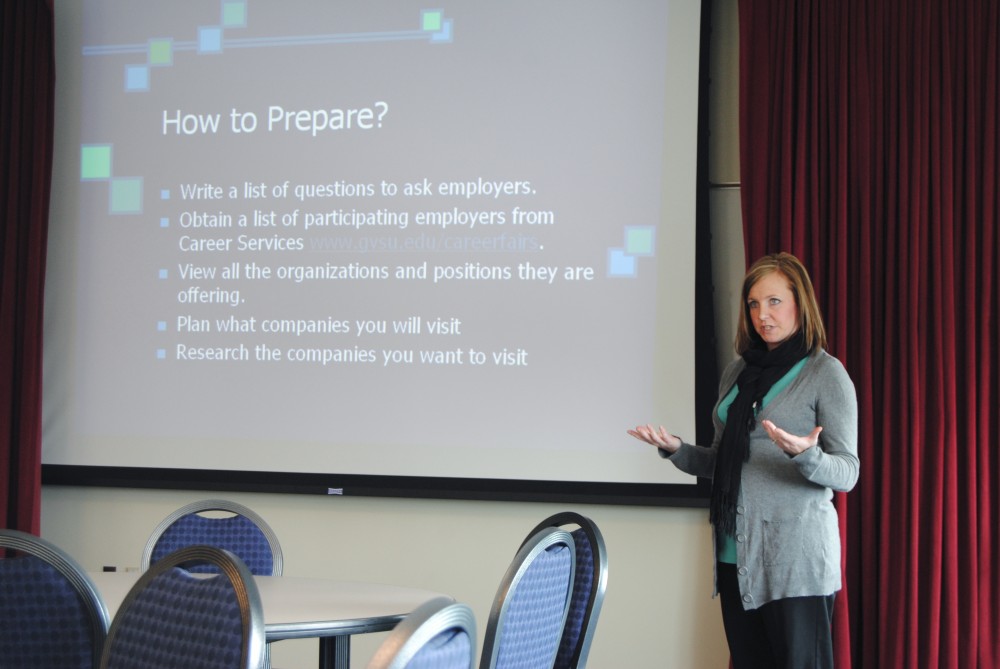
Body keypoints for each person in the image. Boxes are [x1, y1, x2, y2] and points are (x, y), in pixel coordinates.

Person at [628, 252, 859, 669]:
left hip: (796, 561)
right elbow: (725, 463)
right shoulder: (738, 373)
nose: (762, 315)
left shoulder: (826, 373)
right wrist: (677, 449)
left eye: (774, 302)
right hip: (736, 553)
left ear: (799, 304)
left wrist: (807, 456)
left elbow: (847, 472)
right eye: (753, 304)